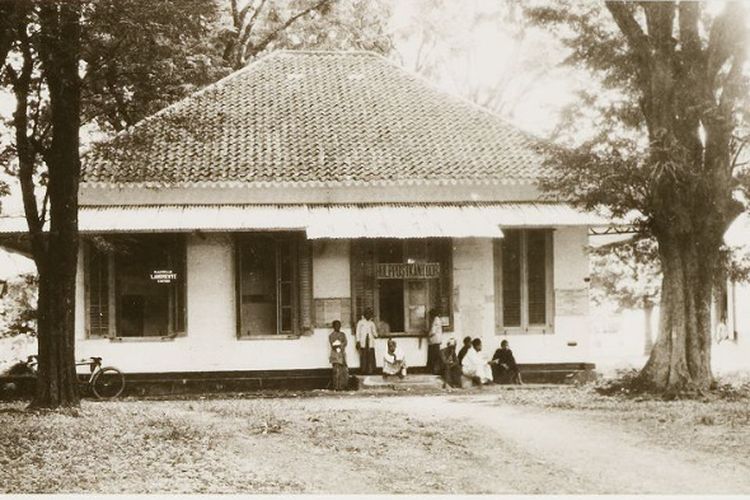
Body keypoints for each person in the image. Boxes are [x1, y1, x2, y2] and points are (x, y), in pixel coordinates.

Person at [355, 308, 378, 375]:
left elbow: (374, 333)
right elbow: (357, 332)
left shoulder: (372, 323)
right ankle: (363, 370)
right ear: (364, 315)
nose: (368, 315)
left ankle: (371, 370)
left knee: (371, 355)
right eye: (367, 314)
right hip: (363, 341)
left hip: (370, 341)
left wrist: (377, 334)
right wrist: (358, 341)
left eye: (370, 314)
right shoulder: (360, 322)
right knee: (364, 356)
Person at [328, 320, 348, 390]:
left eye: (339, 325)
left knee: (343, 371)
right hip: (335, 355)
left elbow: (345, 342)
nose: (338, 327)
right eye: (336, 325)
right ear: (333, 327)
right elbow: (333, 345)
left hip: (342, 354)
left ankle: (343, 386)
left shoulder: (343, 334)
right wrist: (338, 347)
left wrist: (340, 346)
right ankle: (336, 386)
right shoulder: (331, 335)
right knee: (336, 371)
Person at [427, 308, 444, 374]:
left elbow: (433, 331)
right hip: (437, 340)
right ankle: (435, 370)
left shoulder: (435, 320)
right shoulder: (438, 319)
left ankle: (434, 370)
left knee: (433, 356)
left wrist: (428, 334)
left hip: (434, 340)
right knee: (436, 356)